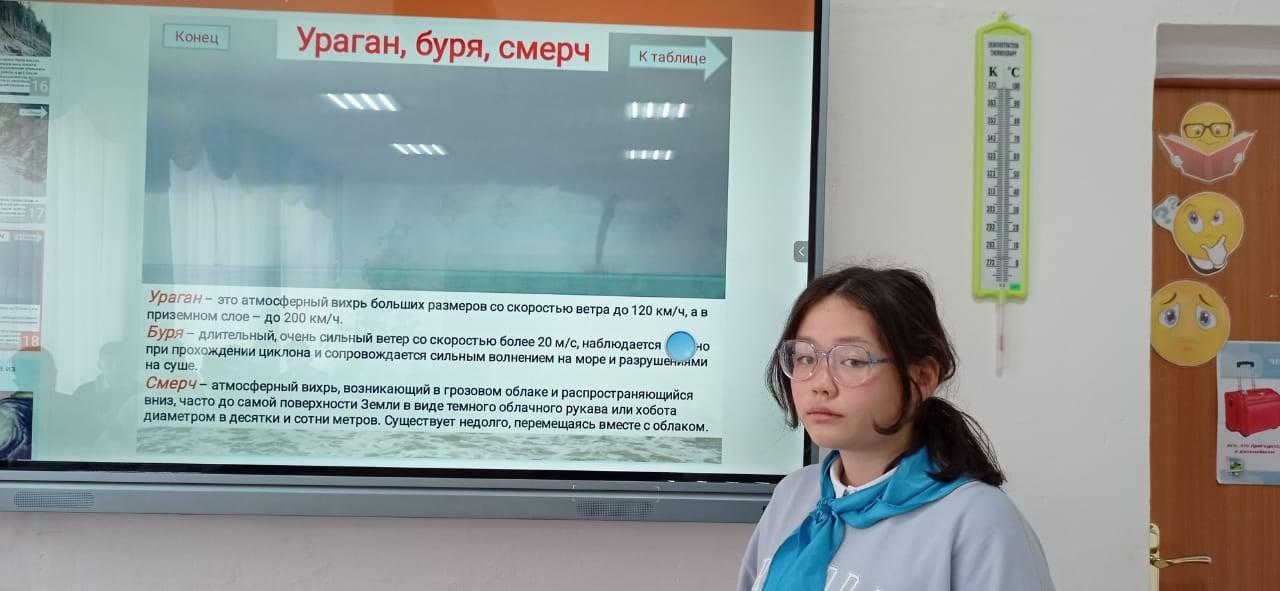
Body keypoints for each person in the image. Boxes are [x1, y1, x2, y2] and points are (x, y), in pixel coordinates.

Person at [738, 266, 1054, 590]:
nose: (820, 384)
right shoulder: (792, 495)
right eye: (805, 358)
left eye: (852, 360)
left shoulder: (977, 519)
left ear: (922, 378)